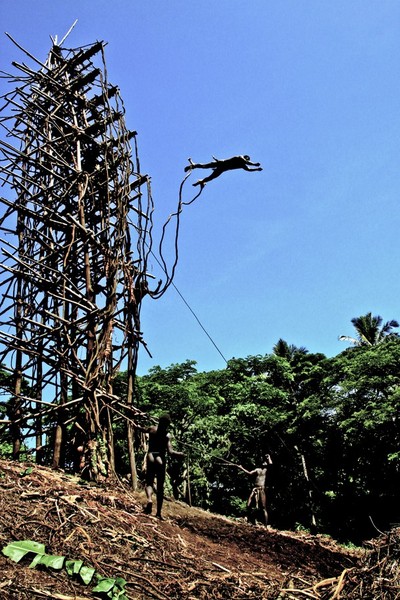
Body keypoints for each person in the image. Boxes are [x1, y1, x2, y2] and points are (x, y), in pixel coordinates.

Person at [140, 414, 184, 519]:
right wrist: (180, 454)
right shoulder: (167, 435)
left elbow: (141, 429)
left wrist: (137, 425)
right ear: (168, 424)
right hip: (160, 459)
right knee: (160, 487)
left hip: (150, 456)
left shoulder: (152, 429)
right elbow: (170, 452)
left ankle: (150, 499)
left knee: (149, 482)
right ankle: (158, 513)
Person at [184, 155, 262, 188]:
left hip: (222, 169)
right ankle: (192, 166)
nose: (246, 160)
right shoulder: (240, 157)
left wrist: (256, 169)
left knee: (211, 178)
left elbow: (248, 169)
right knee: (204, 166)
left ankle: (201, 182)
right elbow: (246, 162)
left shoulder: (242, 165)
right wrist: (255, 164)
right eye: (246, 159)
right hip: (220, 163)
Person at [238, 454, 272, 526]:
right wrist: (241, 468)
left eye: (266, 462)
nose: (265, 463)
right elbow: (249, 473)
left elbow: (271, 464)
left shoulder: (266, 470)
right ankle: (247, 519)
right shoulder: (257, 469)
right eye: (264, 461)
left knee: (263, 507)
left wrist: (269, 458)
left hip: (261, 489)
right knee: (249, 504)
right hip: (255, 489)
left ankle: (265, 526)